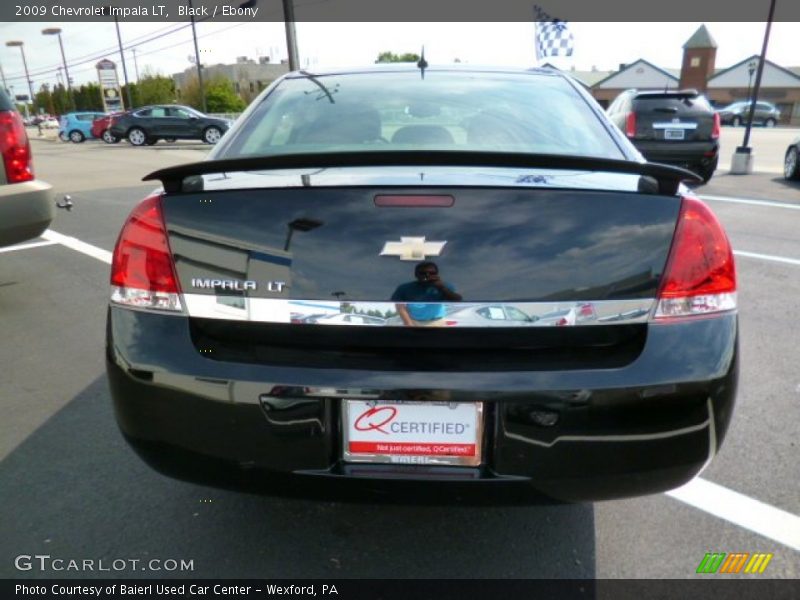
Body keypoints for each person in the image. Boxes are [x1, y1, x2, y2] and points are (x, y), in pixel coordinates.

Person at [391, 261, 462, 327]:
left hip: (437, 322)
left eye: (432, 273)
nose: (427, 275)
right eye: (422, 273)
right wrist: (408, 323)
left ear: (437, 274)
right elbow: (399, 305)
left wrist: (441, 287)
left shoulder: (446, 286)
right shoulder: (404, 288)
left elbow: (458, 300)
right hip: (413, 322)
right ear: (416, 274)